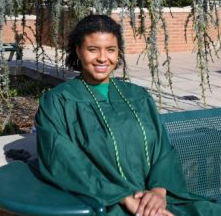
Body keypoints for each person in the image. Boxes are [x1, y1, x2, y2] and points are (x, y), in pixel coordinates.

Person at [35, 14, 221, 216]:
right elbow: (64, 160)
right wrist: (125, 198)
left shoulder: (137, 96)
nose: (102, 58)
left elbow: (162, 149)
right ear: (78, 51)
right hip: (104, 201)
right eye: (92, 49)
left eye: (111, 50)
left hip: (158, 198)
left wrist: (159, 191)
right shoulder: (58, 101)